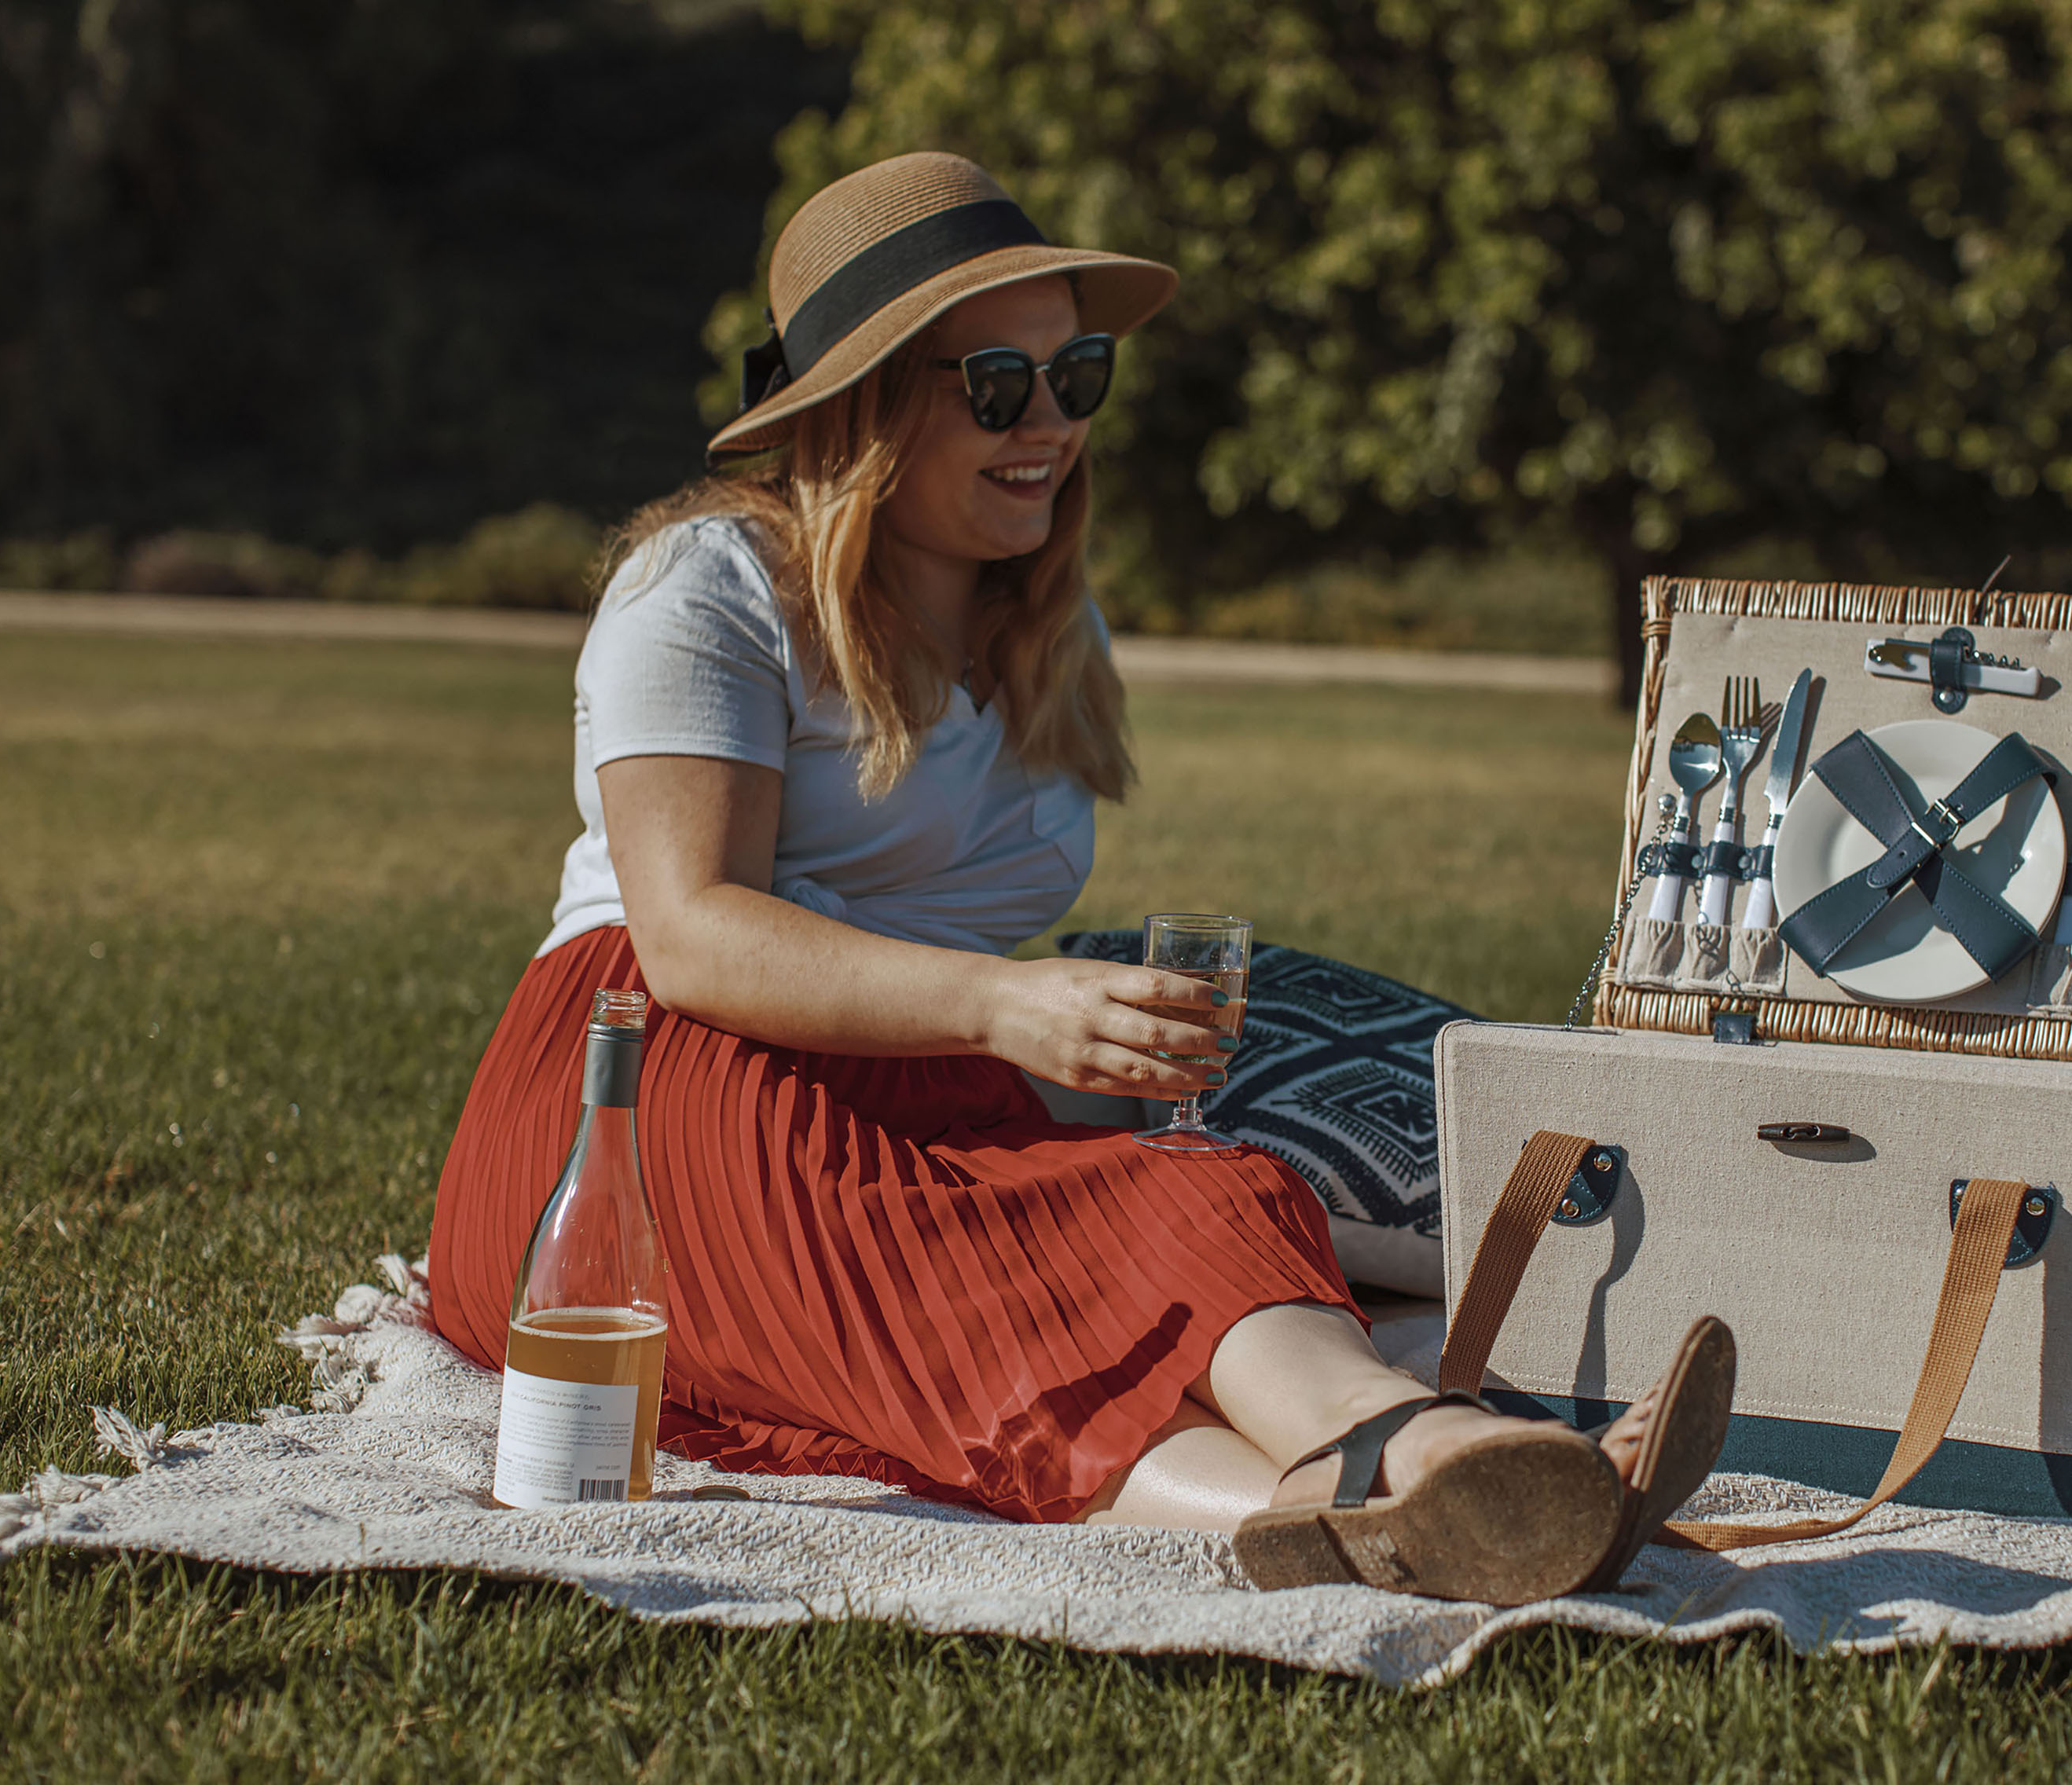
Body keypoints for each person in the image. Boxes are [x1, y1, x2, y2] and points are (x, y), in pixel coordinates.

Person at [427, 152, 1732, 1605]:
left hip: (901, 1072)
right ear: (866, 406)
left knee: (1189, 1202)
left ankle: (1394, 1492)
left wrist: (1062, 1027)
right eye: (998, 386)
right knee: (986, 1279)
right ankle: (1438, 1460)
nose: (1050, 423)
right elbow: (690, 935)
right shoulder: (715, 588)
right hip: (643, 1079)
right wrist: (1005, 1006)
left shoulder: (1042, 626)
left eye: (1076, 374)